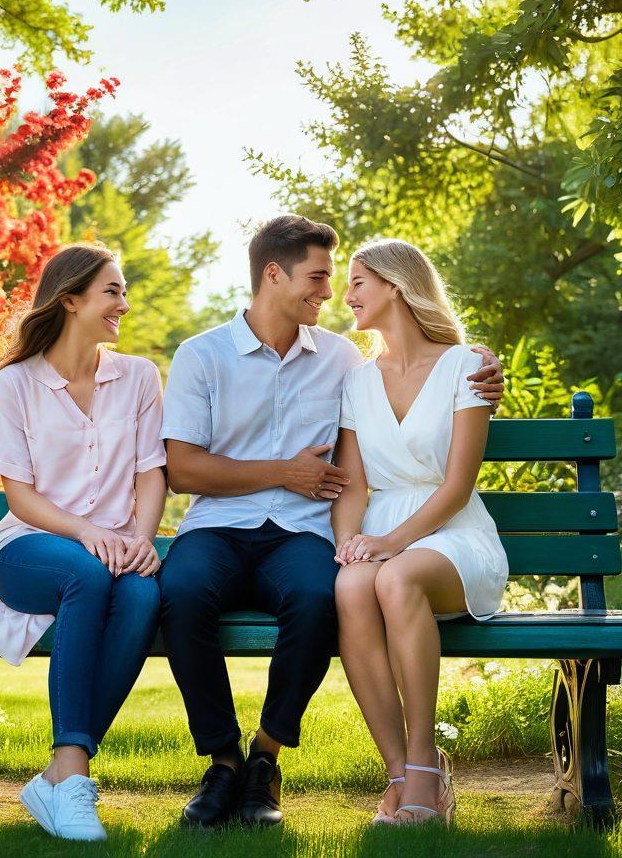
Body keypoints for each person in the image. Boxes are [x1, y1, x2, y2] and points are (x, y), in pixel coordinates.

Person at [159, 215, 504, 827]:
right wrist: (288, 479)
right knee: (181, 592)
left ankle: (265, 759)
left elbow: (420, 413)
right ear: (274, 274)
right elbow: (182, 469)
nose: (332, 293)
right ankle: (222, 763)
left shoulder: (344, 360)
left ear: (395, 286)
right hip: (218, 526)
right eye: (319, 278)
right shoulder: (202, 355)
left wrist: (483, 370)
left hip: (303, 531)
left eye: (345, 280)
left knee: (320, 596)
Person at [0, 243, 167, 842]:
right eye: (112, 292)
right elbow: (19, 495)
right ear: (70, 299)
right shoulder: (16, 383)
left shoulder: (137, 377)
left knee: (141, 597)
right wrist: (88, 532)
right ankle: (76, 779)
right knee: (89, 574)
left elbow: (151, 472)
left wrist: (140, 537)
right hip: (30, 548)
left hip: (112, 550)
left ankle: (60, 771)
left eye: (123, 292)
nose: (124, 306)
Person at [331, 239, 510, 827]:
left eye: (358, 282)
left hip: (452, 536)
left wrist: (388, 545)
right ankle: (401, 775)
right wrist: (349, 539)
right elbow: (353, 484)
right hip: (383, 530)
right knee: (353, 588)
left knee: (397, 578)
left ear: (395, 286)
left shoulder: (465, 366)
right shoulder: (357, 381)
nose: (346, 294)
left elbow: (457, 487)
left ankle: (425, 768)